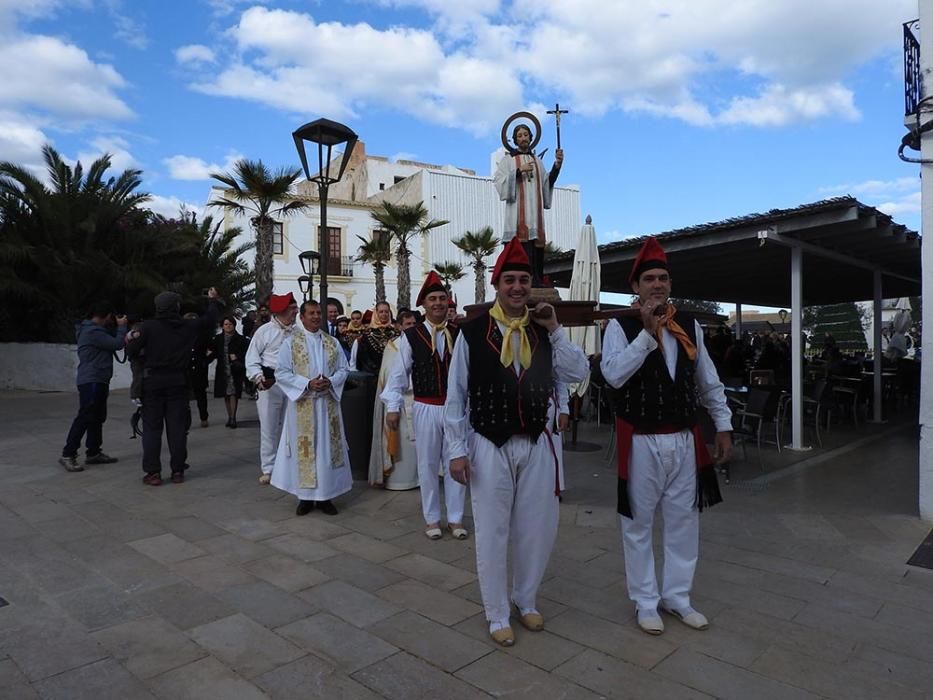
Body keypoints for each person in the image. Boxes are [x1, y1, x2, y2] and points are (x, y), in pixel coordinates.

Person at [445, 238, 588, 646]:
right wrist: (456, 450)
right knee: (492, 529)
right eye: (510, 280)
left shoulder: (544, 332)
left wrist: (556, 328)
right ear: (496, 285)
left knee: (536, 528)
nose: (517, 287)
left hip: (537, 441)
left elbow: (576, 373)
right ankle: (496, 612)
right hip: (489, 442)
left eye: (524, 280)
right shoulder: (472, 332)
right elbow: (457, 396)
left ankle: (526, 601)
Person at [600, 237, 731, 636]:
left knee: (684, 520)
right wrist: (647, 333)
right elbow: (613, 375)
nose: (657, 284)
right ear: (635, 287)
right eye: (649, 279)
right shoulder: (619, 327)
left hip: (684, 437)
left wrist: (722, 423)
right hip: (640, 438)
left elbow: (708, 379)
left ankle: (677, 596)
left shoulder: (689, 326)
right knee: (638, 524)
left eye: (663, 278)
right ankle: (645, 600)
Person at [382, 273, 467, 539]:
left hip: (456, 409)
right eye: (433, 299)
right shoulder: (412, 336)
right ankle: (432, 518)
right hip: (425, 407)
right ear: (424, 305)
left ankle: (455, 518)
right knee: (427, 464)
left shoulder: (460, 333)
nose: (438, 303)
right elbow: (398, 374)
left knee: (456, 460)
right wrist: (393, 407)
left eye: (442, 298)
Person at [126, 289, 223, 485]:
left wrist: (131, 336)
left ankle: (153, 473)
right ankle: (178, 470)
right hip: (178, 382)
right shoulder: (186, 326)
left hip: (152, 383)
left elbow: (132, 350)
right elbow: (210, 320)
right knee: (177, 429)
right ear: (175, 307)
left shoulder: (147, 327)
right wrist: (213, 301)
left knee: (152, 429)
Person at [272, 300, 352, 516]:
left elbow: (344, 369)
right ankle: (305, 498)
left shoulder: (332, 342)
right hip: (302, 405)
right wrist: (307, 384)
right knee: (305, 451)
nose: (316, 316)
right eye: (312, 313)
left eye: (319, 312)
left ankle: (326, 497)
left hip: (327, 405)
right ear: (302, 317)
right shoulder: (291, 343)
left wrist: (331, 381)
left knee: (326, 450)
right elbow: (281, 373)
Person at [59, 304, 129, 472]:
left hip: (98, 378)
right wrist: (122, 327)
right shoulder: (93, 332)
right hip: (92, 379)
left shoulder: (95, 330)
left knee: (97, 417)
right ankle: (68, 454)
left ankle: (94, 452)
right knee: (85, 416)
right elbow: (118, 344)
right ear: (106, 316)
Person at [493, 123, 563, 285]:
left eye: (526, 135)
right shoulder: (508, 160)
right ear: (515, 140)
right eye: (520, 135)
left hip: (535, 215)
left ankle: (537, 279)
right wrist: (518, 171)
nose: (523, 138)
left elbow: (546, 183)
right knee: (520, 250)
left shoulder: (537, 160)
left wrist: (556, 166)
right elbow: (499, 182)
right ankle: (523, 280)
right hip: (517, 215)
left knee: (536, 248)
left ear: (531, 138)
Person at [245, 292, 299, 485]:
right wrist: (257, 377)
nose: (295, 312)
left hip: (292, 383)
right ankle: (269, 468)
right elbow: (252, 358)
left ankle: (288, 465)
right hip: (269, 382)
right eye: (292, 309)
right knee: (269, 427)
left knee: (290, 424)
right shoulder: (264, 331)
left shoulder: (298, 332)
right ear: (282, 311)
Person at [369, 310, 419, 490]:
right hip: (399, 401)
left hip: (418, 400)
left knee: (416, 445)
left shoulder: (422, 342)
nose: (411, 328)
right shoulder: (393, 347)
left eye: (414, 324)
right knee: (403, 444)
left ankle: (417, 479)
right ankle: (399, 481)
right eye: (407, 324)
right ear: (399, 326)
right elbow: (389, 375)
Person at [209, 316, 248, 428]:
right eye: (226, 324)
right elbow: (212, 352)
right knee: (226, 394)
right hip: (223, 370)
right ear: (222, 326)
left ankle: (233, 418)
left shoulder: (241, 339)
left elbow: (245, 354)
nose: (228, 326)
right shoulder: (218, 339)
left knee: (233, 393)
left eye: (230, 324)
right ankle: (229, 416)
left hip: (235, 370)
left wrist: (236, 358)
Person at [355, 301, 399, 374]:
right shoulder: (366, 335)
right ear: (376, 313)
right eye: (381, 312)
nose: (384, 314)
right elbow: (363, 358)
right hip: (372, 375)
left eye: (386, 312)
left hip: (392, 374)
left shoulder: (396, 333)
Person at [184, 312, 210, 428]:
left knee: (201, 394)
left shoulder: (203, 335)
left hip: (199, 369)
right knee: (184, 397)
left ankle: (204, 417)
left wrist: (205, 361)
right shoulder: (181, 335)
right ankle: (186, 420)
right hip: (186, 369)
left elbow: (212, 349)